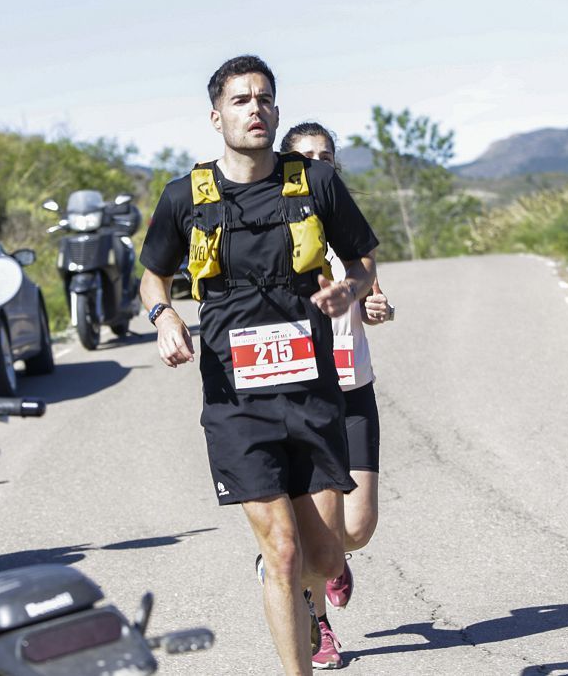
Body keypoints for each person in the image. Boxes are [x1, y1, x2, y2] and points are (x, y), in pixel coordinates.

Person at [139, 56, 379, 675]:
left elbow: (361, 264)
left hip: (310, 392)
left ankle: (320, 570)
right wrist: (165, 318)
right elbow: (152, 277)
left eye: (266, 99)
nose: (256, 109)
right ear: (216, 115)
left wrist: (346, 293)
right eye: (242, 100)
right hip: (235, 401)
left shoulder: (316, 184)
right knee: (283, 552)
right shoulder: (183, 197)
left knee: (322, 560)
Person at [279, 122, 395, 668]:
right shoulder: (273, 227)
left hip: (355, 392)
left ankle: (331, 563)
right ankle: (318, 623)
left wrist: (378, 306)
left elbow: (373, 289)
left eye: (327, 157)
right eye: (307, 158)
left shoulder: (347, 227)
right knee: (314, 540)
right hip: (304, 398)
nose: (319, 165)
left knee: (358, 528)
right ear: (287, 165)